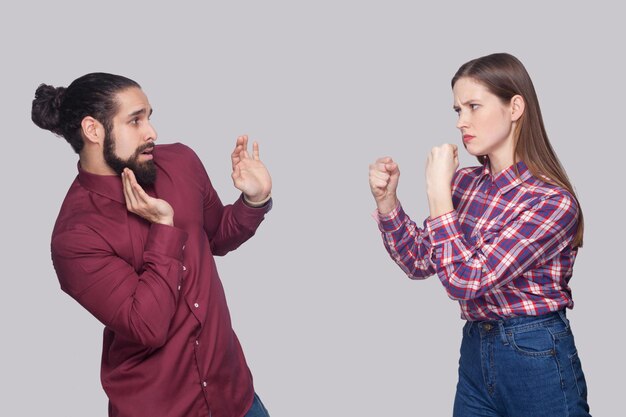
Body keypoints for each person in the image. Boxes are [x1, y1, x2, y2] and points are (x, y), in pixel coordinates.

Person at [32, 73, 273, 417]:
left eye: (149, 116)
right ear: (93, 130)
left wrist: (254, 200)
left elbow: (217, 236)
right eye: (135, 120)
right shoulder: (75, 237)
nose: (152, 132)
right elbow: (148, 325)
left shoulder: (180, 162)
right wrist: (163, 228)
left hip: (235, 397)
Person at [368, 53, 591, 416]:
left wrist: (438, 193)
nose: (462, 122)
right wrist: (388, 203)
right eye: (458, 110)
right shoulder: (466, 184)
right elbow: (419, 262)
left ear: (515, 106)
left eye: (473, 106)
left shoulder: (552, 202)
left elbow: (466, 280)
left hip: (535, 352)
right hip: (476, 349)